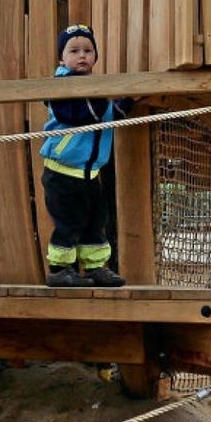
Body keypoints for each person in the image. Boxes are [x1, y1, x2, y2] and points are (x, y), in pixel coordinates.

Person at [39, 23, 133, 288]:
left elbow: (109, 115)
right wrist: (106, 93)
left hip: (90, 173)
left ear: (95, 57)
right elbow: (82, 115)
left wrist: (129, 99)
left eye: (88, 50)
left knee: (95, 222)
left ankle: (95, 267)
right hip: (61, 171)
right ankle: (60, 269)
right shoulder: (60, 87)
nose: (82, 55)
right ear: (62, 58)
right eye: (74, 50)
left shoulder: (95, 88)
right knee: (69, 222)